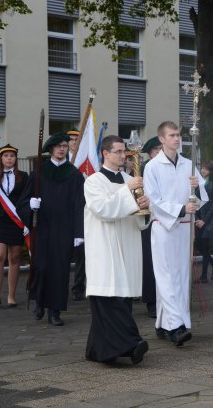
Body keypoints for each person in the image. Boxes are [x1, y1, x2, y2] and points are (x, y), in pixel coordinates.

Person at [84, 135, 150, 364]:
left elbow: (139, 220)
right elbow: (103, 209)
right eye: (119, 152)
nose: (124, 156)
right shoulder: (93, 181)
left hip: (127, 246)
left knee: (122, 299)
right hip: (105, 249)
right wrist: (128, 192)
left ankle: (97, 350)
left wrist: (144, 207)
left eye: (125, 152)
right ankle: (131, 343)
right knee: (109, 300)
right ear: (106, 153)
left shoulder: (128, 178)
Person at [143, 121, 207, 346]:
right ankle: (176, 327)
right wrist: (180, 209)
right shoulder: (152, 167)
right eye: (172, 135)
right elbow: (153, 200)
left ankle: (162, 323)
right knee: (166, 276)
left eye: (178, 135)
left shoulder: (189, 165)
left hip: (184, 228)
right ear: (161, 139)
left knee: (181, 276)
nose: (177, 139)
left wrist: (196, 188)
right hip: (164, 227)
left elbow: (202, 198)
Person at [18, 132, 85, 326]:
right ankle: (39, 302)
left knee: (60, 270)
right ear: (51, 149)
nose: (62, 149)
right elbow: (22, 202)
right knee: (41, 267)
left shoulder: (74, 175)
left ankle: (54, 311)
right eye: (58, 146)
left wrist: (78, 232)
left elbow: (79, 205)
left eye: (65, 146)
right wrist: (30, 206)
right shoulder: (39, 173)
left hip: (64, 229)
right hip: (42, 228)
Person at [0, 144, 29, 308]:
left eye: (12, 156)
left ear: (16, 159)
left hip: (16, 222)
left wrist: (27, 222)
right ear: (1, 159)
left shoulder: (24, 176)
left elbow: (26, 201)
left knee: (15, 258)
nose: (9, 158)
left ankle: (11, 296)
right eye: (6, 156)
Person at [140, 136, 162, 318]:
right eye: (157, 150)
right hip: (149, 221)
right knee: (150, 262)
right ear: (151, 153)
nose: (160, 152)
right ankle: (151, 301)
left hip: (168, 221)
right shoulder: (145, 168)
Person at [66, 127, 86, 302]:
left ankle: (78, 287)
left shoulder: (87, 157)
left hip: (81, 210)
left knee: (81, 254)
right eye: (71, 140)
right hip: (63, 213)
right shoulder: (61, 161)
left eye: (76, 139)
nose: (74, 143)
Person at [194, 161, 213, 284]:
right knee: (200, 246)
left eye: (206, 169)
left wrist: (204, 220)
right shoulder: (200, 183)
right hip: (199, 218)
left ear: (211, 171)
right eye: (202, 168)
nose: (203, 171)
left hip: (207, 221)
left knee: (204, 247)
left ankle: (204, 276)